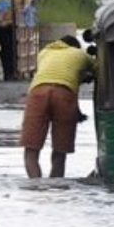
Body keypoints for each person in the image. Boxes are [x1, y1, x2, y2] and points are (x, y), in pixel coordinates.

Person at [19, 34, 94, 178]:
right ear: (75, 47)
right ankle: (56, 189)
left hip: (37, 93)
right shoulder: (80, 55)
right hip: (64, 95)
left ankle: (36, 187)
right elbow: (97, 71)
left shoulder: (44, 53)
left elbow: (54, 76)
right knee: (60, 151)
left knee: (31, 151)